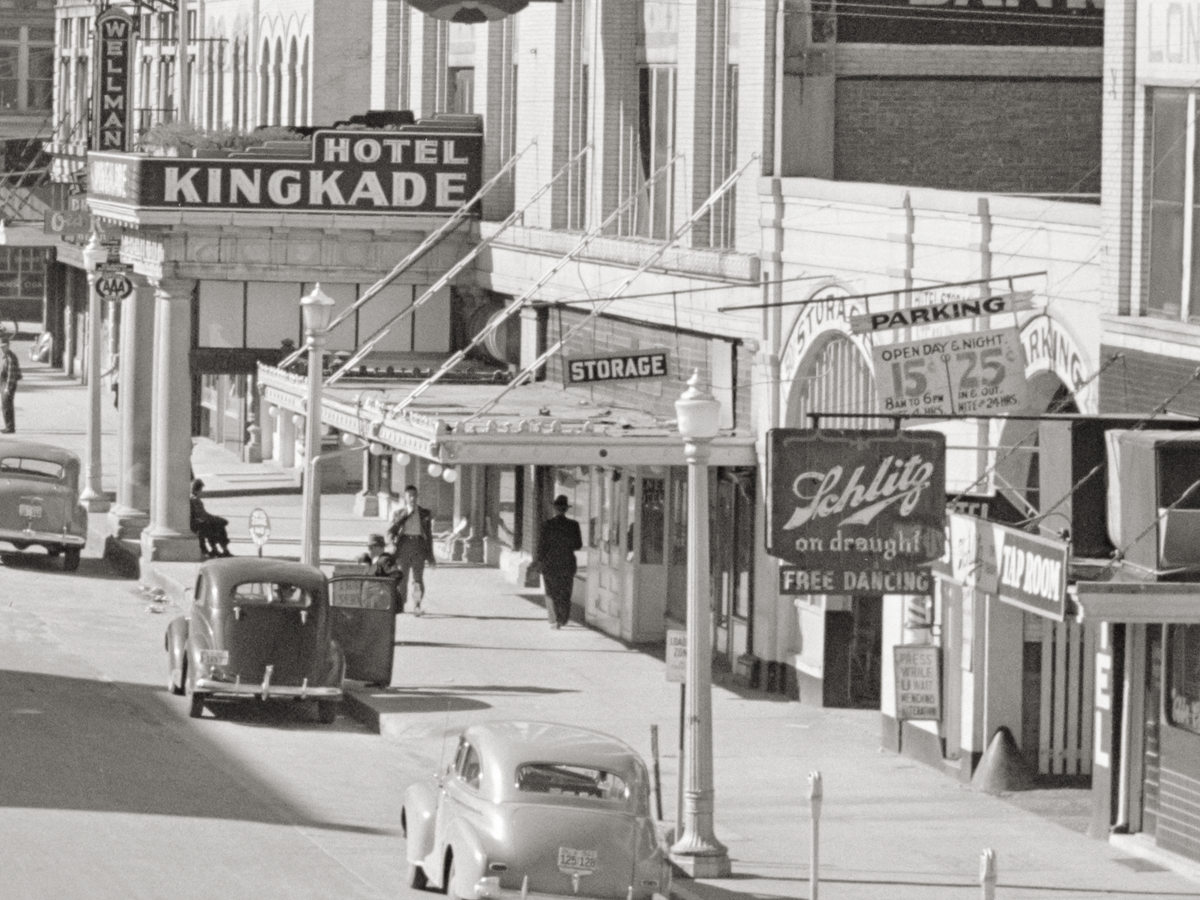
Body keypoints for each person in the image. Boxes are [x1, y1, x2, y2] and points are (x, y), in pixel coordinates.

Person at [534, 495, 583, 629]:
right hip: (567, 563)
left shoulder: (547, 525)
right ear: (566, 510)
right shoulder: (574, 525)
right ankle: (563, 618)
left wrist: (539, 562)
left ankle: (554, 620)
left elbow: (541, 547)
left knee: (551, 592)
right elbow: (578, 545)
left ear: (555, 509)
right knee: (565, 591)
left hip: (549, 563)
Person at [386, 484, 435, 616]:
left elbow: (429, 536)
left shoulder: (424, 513)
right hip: (403, 547)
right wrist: (391, 544)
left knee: (417, 580)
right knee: (402, 578)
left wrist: (431, 555)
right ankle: (401, 604)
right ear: (405, 497)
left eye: (414, 495)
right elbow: (390, 531)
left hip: (419, 546)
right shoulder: (398, 513)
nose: (412, 498)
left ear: (417, 496)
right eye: (410, 496)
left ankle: (417, 606)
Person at [358, 533, 401, 613]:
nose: (369, 550)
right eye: (369, 547)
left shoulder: (385, 560)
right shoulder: (373, 560)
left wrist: (385, 590)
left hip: (379, 607)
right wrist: (363, 557)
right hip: (369, 606)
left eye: (371, 547)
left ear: (379, 548)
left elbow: (397, 575)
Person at [190, 478, 233, 559]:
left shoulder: (191, 498)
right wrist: (216, 518)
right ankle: (223, 549)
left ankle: (215, 549)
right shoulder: (195, 500)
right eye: (201, 489)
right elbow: (203, 515)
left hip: (196, 523)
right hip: (198, 524)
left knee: (216, 525)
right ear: (198, 489)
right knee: (219, 525)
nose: (202, 492)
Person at [0, 333, 21, 434]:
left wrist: (7, 388)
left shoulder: (10, 358)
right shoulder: (5, 356)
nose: (2, 349)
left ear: (8, 346)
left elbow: (10, 375)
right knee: (6, 405)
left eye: (4, 346)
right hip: (4, 384)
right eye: (1, 347)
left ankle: (10, 427)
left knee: (6, 405)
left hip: (9, 384)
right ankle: (9, 426)